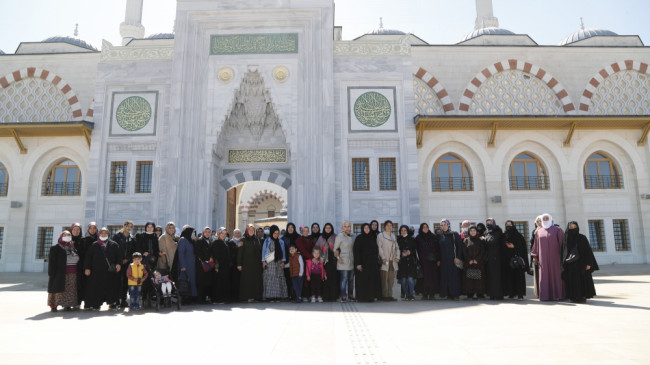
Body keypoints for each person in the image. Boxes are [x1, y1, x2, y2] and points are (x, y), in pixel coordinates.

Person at [84, 227, 123, 310]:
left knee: (111, 287)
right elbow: (88, 257)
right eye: (102, 233)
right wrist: (87, 268)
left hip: (110, 272)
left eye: (105, 233)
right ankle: (96, 304)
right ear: (99, 234)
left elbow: (119, 256)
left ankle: (112, 303)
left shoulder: (114, 244)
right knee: (97, 288)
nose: (103, 234)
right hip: (97, 271)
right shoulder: (94, 244)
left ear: (108, 234)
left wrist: (119, 264)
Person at [561, 221, 599, 303]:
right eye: (571, 227)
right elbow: (562, 252)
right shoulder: (565, 239)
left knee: (582, 280)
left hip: (581, 264)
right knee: (571, 281)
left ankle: (582, 296)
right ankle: (573, 297)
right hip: (570, 265)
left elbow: (588, 251)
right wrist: (563, 264)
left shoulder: (582, 237)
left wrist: (589, 263)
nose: (573, 229)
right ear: (568, 228)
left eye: (575, 227)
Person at [531, 213, 564, 301]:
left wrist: (563, 257)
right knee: (544, 276)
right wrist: (535, 257)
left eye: (547, 218)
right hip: (543, 259)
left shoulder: (557, 230)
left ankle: (558, 294)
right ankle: (545, 296)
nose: (545, 219)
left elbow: (563, 244)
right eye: (544, 218)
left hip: (556, 258)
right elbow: (536, 245)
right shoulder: (538, 231)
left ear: (550, 219)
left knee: (556, 276)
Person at [48, 230, 79, 312]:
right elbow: (52, 262)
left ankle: (67, 304)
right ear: (61, 236)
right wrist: (51, 273)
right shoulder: (55, 248)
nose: (67, 236)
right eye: (65, 235)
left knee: (69, 290)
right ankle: (53, 305)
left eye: (69, 235)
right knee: (57, 289)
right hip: (59, 273)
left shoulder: (73, 247)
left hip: (72, 272)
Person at [353, 223, 380, 302]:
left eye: (368, 228)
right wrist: (358, 263)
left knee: (370, 281)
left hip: (371, 264)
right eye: (365, 228)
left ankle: (370, 297)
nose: (367, 229)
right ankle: (361, 297)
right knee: (361, 281)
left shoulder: (372, 238)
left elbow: (375, 250)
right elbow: (356, 251)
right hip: (362, 264)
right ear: (362, 229)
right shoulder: (359, 238)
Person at [503, 220, 529, 300]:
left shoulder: (518, 236)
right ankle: (511, 293)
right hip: (507, 260)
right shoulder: (504, 235)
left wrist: (514, 247)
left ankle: (520, 294)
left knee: (518, 277)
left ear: (513, 225)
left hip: (517, 261)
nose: (508, 227)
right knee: (509, 277)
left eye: (510, 225)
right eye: (507, 225)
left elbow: (522, 248)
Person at [438, 219, 463, 300]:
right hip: (444, 260)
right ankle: (448, 293)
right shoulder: (440, 235)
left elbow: (459, 246)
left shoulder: (454, 234)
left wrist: (458, 257)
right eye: (441, 225)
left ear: (448, 225)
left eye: (444, 224)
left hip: (453, 259)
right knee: (445, 277)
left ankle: (455, 294)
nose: (443, 226)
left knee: (454, 277)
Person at [237, 224, 263, 302]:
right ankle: (246, 296)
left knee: (256, 280)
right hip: (246, 264)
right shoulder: (243, 240)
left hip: (256, 264)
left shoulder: (257, 239)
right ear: (247, 230)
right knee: (247, 281)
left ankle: (256, 296)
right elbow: (240, 253)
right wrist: (239, 264)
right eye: (249, 230)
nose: (251, 231)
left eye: (252, 230)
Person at [261, 225, 287, 301]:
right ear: (271, 233)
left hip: (278, 263)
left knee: (278, 279)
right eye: (274, 233)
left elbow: (283, 252)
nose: (276, 235)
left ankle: (278, 296)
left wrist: (283, 261)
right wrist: (263, 261)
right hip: (269, 262)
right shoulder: (267, 241)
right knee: (270, 279)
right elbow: (263, 251)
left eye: (277, 233)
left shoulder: (281, 242)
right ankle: (269, 296)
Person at [113, 220, 135, 309]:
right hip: (118, 262)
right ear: (124, 226)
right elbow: (114, 249)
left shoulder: (131, 238)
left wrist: (128, 259)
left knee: (126, 281)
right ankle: (116, 300)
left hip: (127, 263)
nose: (129, 228)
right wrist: (119, 260)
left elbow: (133, 250)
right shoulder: (117, 236)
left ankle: (123, 300)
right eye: (127, 226)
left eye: (130, 227)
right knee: (117, 281)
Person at [415, 223, 440, 300]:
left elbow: (438, 249)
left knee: (432, 277)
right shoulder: (418, 238)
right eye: (423, 227)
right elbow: (416, 250)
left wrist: (438, 259)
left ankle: (432, 294)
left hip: (432, 261)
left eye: (426, 227)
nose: (425, 228)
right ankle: (424, 294)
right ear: (421, 228)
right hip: (423, 261)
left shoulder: (433, 237)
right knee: (424, 278)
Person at [76, 222, 97, 309]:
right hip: (84, 266)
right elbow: (82, 254)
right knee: (82, 284)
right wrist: (86, 267)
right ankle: (78, 302)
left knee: (92, 286)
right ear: (88, 229)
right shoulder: (83, 240)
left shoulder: (99, 240)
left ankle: (89, 303)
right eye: (90, 228)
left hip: (95, 267)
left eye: (94, 228)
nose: (92, 230)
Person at [316, 223, 338, 301]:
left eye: (329, 228)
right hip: (324, 261)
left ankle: (333, 296)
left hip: (333, 261)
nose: (328, 229)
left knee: (333, 279)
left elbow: (338, 247)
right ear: (324, 229)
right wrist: (320, 258)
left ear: (332, 229)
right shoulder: (321, 237)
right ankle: (326, 296)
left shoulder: (335, 236)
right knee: (325, 278)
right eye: (326, 228)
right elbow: (317, 248)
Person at [462, 226, 486, 300]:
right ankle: (470, 294)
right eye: (471, 231)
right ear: (469, 232)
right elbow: (464, 252)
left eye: (474, 230)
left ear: (476, 232)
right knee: (469, 279)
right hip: (468, 263)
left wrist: (477, 260)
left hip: (478, 263)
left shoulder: (480, 241)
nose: (473, 232)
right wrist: (469, 259)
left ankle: (479, 293)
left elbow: (482, 251)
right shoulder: (466, 240)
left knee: (479, 279)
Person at [484, 218, 504, 300]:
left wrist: (484, 239)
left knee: (497, 276)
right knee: (490, 276)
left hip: (496, 258)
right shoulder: (486, 232)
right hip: (489, 258)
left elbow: (493, 241)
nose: (488, 224)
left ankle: (498, 294)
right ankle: (491, 294)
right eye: (487, 222)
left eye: (490, 222)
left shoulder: (497, 231)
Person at [334, 220, 355, 302]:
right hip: (343, 260)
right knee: (344, 279)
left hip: (351, 260)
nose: (347, 228)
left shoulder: (353, 236)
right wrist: (338, 258)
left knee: (351, 280)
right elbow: (335, 249)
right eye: (345, 226)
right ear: (343, 227)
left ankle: (350, 295)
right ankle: (343, 295)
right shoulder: (340, 236)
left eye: (349, 226)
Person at [397, 225, 418, 301]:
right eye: (402, 230)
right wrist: (401, 254)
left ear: (407, 231)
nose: (403, 232)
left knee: (410, 278)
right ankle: (406, 294)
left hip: (411, 261)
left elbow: (415, 249)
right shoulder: (398, 239)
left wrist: (410, 252)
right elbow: (396, 250)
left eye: (405, 230)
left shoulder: (412, 239)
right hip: (402, 262)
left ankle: (411, 294)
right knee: (403, 279)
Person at [177, 225, 197, 303]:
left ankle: (192, 297)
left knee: (192, 281)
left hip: (192, 265)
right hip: (185, 266)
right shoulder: (182, 240)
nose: (193, 234)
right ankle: (185, 298)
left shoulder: (190, 241)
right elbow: (181, 254)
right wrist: (183, 266)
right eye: (192, 233)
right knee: (185, 282)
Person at [211, 227, 231, 304]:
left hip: (224, 266)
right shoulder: (216, 242)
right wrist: (216, 266)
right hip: (219, 266)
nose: (223, 235)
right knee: (218, 283)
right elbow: (215, 255)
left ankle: (223, 298)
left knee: (223, 282)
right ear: (218, 234)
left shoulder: (223, 242)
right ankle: (217, 299)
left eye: (225, 234)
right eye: (222, 233)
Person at [195, 227, 214, 304]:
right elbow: (197, 252)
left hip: (208, 265)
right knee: (201, 282)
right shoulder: (199, 240)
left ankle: (206, 297)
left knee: (207, 281)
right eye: (206, 232)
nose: (207, 233)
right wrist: (206, 258)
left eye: (209, 232)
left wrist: (211, 257)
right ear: (203, 232)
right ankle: (200, 299)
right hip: (201, 265)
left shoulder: (210, 240)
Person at [296, 226, 315, 301]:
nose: (306, 232)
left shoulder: (310, 239)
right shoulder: (299, 240)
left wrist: (314, 257)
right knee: (304, 279)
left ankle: (310, 295)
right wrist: (312, 257)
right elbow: (303, 250)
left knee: (310, 277)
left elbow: (313, 249)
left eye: (307, 231)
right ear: (302, 232)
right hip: (302, 261)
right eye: (304, 231)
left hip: (310, 261)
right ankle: (304, 295)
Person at [282, 223, 300, 300]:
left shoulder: (298, 237)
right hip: (287, 260)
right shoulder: (283, 238)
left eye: (292, 227)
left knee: (295, 277)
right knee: (288, 278)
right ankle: (289, 295)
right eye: (289, 227)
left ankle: (296, 295)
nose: (290, 228)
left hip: (296, 260)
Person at [228, 228, 242, 302]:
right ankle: (233, 297)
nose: (237, 234)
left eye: (238, 233)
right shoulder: (230, 242)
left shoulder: (242, 241)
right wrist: (237, 247)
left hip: (241, 265)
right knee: (233, 281)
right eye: (236, 233)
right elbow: (230, 253)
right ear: (233, 234)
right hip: (233, 265)